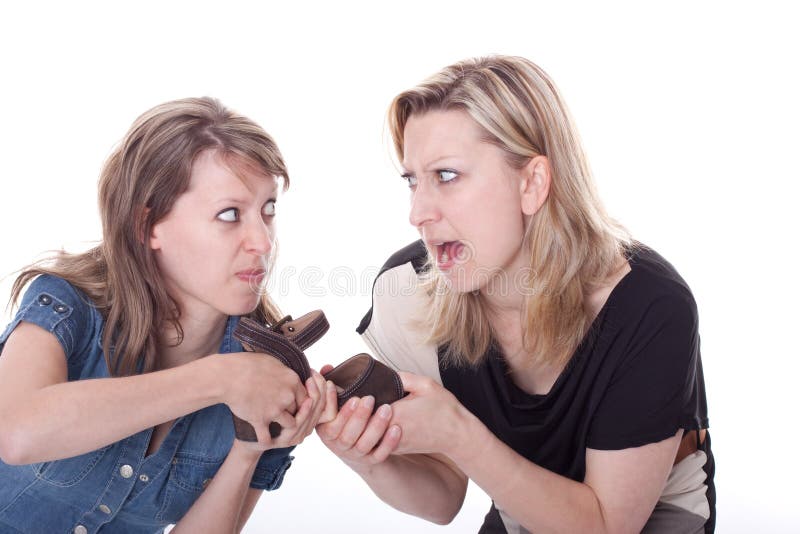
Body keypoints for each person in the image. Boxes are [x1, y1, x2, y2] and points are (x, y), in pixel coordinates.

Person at [316, 56, 715, 533]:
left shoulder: (649, 306)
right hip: (519, 499)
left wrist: (461, 435)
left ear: (532, 183)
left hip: (642, 515)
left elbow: (606, 526)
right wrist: (365, 453)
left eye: (446, 175)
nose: (417, 212)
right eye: (412, 181)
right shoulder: (408, 290)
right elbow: (442, 497)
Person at [0, 97, 330, 533]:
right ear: (147, 225)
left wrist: (250, 449)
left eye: (268, 210)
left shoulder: (267, 375)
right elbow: (19, 432)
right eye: (230, 215)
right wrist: (219, 379)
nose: (263, 241)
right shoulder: (67, 305)